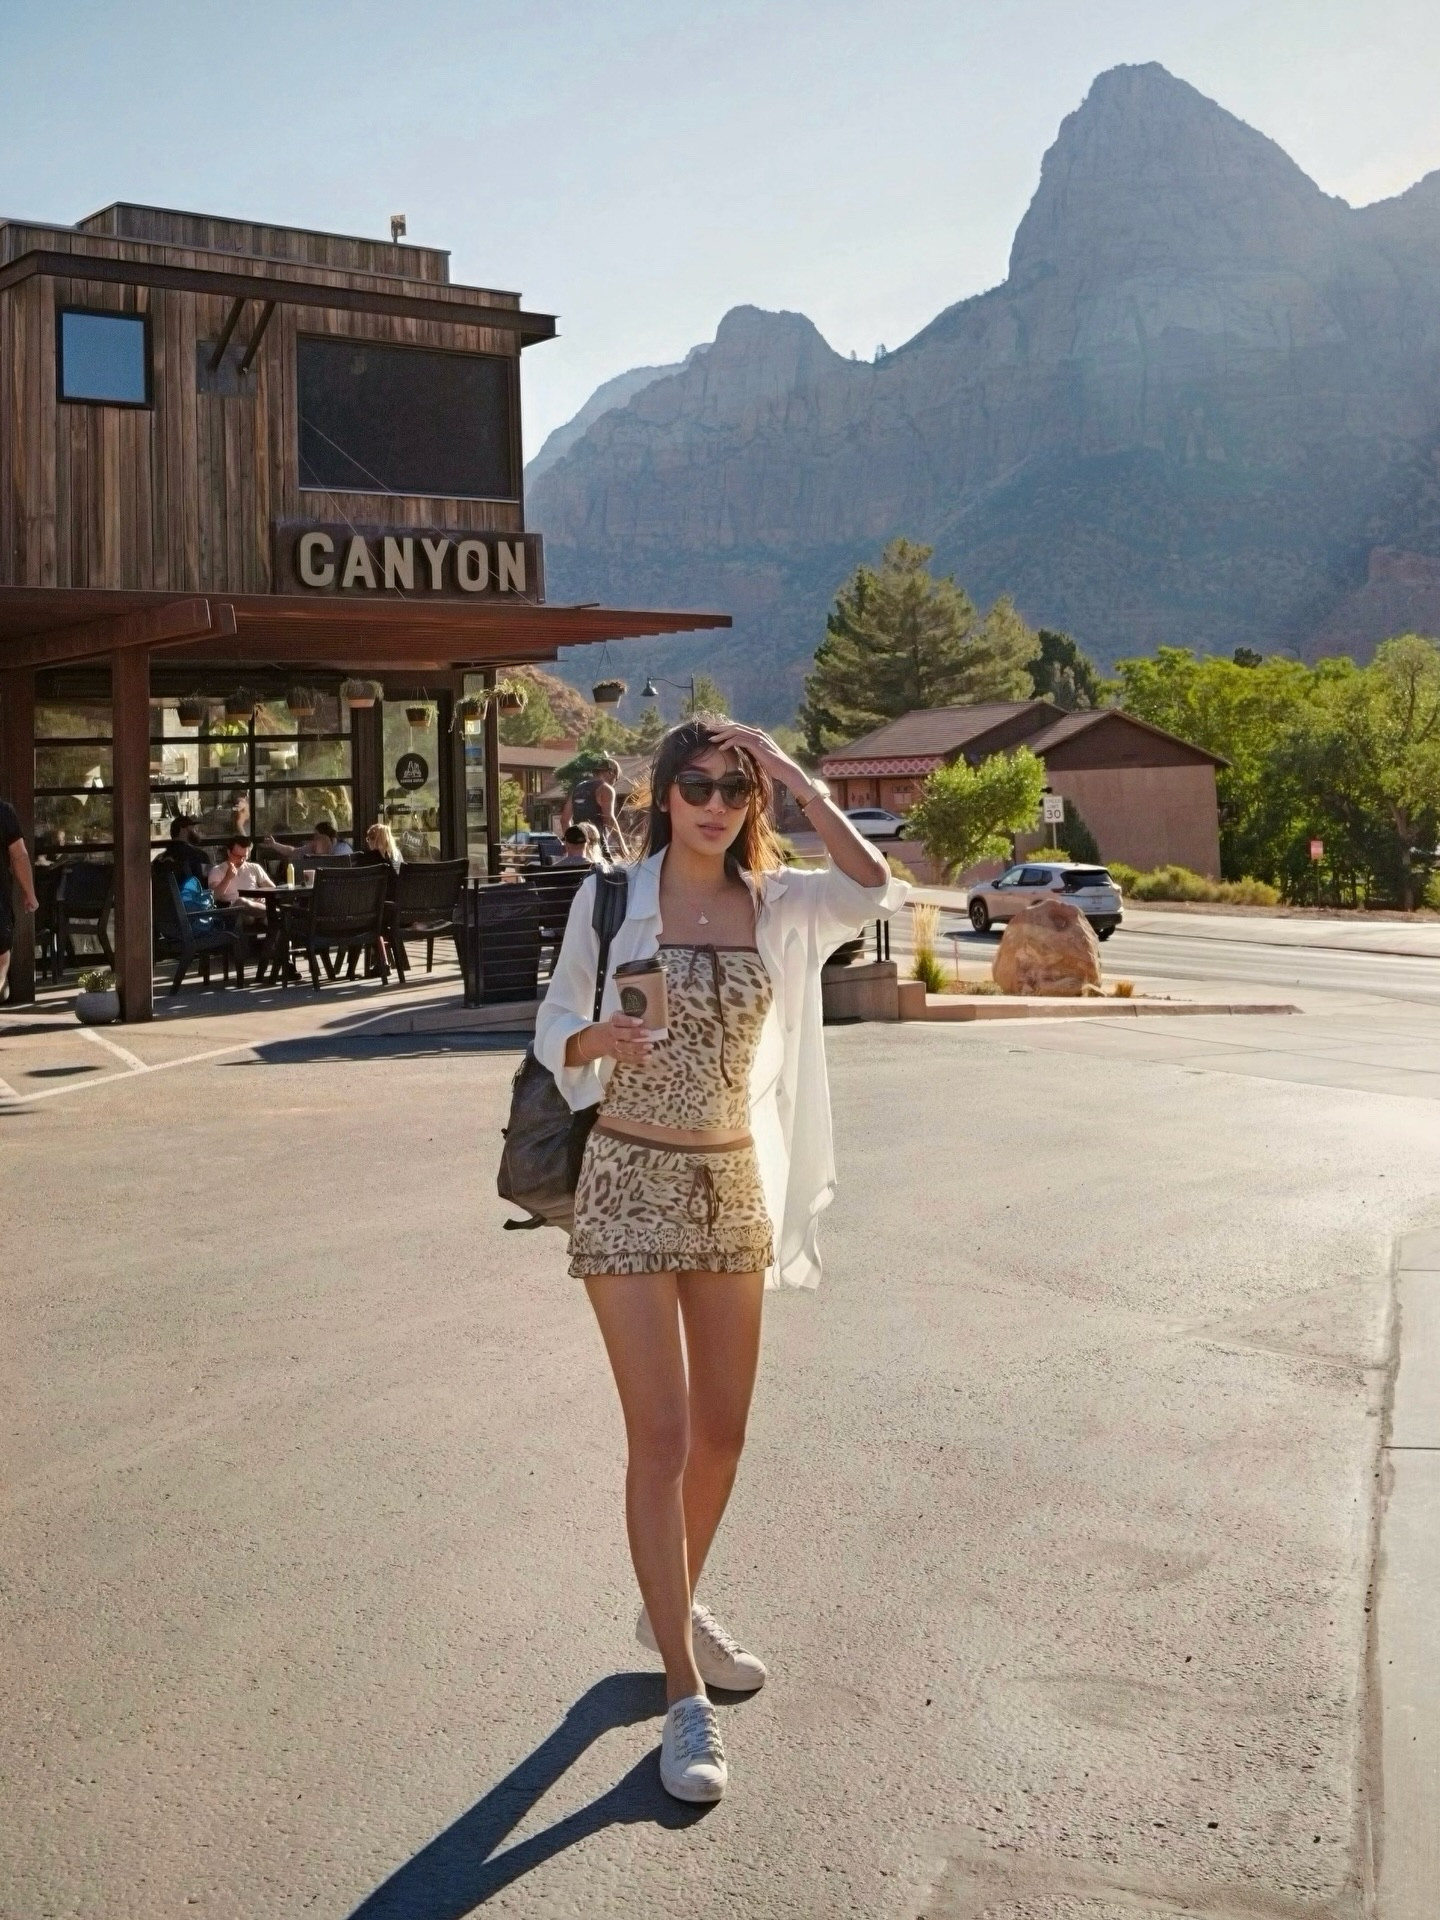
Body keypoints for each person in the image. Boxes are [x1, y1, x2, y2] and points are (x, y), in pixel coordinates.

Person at [534, 718, 905, 1803]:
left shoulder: (780, 902)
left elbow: (874, 884)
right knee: (660, 1435)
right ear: (664, 794)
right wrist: (593, 1040)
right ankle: (683, 1697)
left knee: (724, 1436)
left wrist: (799, 779)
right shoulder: (612, 898)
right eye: (695, 783)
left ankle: (668, 1597)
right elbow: (553, 1019)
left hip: (733, 1180)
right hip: (629, 1181)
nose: (714, 801)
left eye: (734, 787)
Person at [1, 796, 39, 1003]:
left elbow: (19, 856)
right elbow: (19, 856)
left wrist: (30, 892)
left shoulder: (4, 812)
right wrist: (29, 894)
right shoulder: (4, 811)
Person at [561, 757, 628, 859]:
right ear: (611, 773)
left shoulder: (577, 788)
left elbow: (564, 820)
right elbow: (608, 819)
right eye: (616, 779)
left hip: (579, 848)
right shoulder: (605, 789)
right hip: (597, 844)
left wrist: (571, 842)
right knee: (608, 872)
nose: (614, 783)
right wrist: (623, 847)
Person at [208, 835, 274, 924]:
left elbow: (273, 889)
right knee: (241, 902)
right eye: (238, 856)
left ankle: (269, 914)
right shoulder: (217, 870)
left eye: (245, 856)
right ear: (229, 852)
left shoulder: (254, 868)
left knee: (267, 920)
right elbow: (213, 897)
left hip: (257, 906)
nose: (241, 860)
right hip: (233, 911)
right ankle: (276, 912)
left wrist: (263, 895)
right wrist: (227, 878)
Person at [154, 815, 211, 889]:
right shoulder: (200, 856)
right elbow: (210, 880)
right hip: (193, 898)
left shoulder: (160, 859)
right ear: (183, 829)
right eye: (193, 828)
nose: (196, 831)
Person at [260, 819, 352, 865]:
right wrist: (274, 844)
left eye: (317, 835)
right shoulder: (314, 847)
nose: (314, 838)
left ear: (326, 837)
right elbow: (293, 851)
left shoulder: (342, 849)